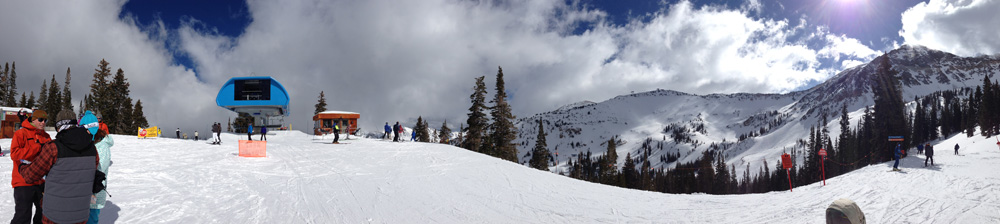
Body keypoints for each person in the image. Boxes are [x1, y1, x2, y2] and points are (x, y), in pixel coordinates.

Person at [18, 118, 100, 224]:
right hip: (81, 214)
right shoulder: (92, 148)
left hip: (54, 215)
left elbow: (30, 176)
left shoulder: (54, 147)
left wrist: (22, 167)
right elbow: (89, 173)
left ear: (59, 128)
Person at [10, 109, 50, 224]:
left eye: (45, 120)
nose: (43, 123)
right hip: (23, 181)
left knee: (43, 214)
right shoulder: (21, 133)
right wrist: (36, 148)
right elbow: (14, 154)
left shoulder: (46, 136)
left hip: (41, 182)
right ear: (33, 120)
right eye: (40, 120)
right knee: (23, 215)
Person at [79, 111, 111, 224]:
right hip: (83, 189)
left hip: (95, 190)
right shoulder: (86, 142)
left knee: (91, 217)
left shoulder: (101, 145)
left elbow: (101, 168)